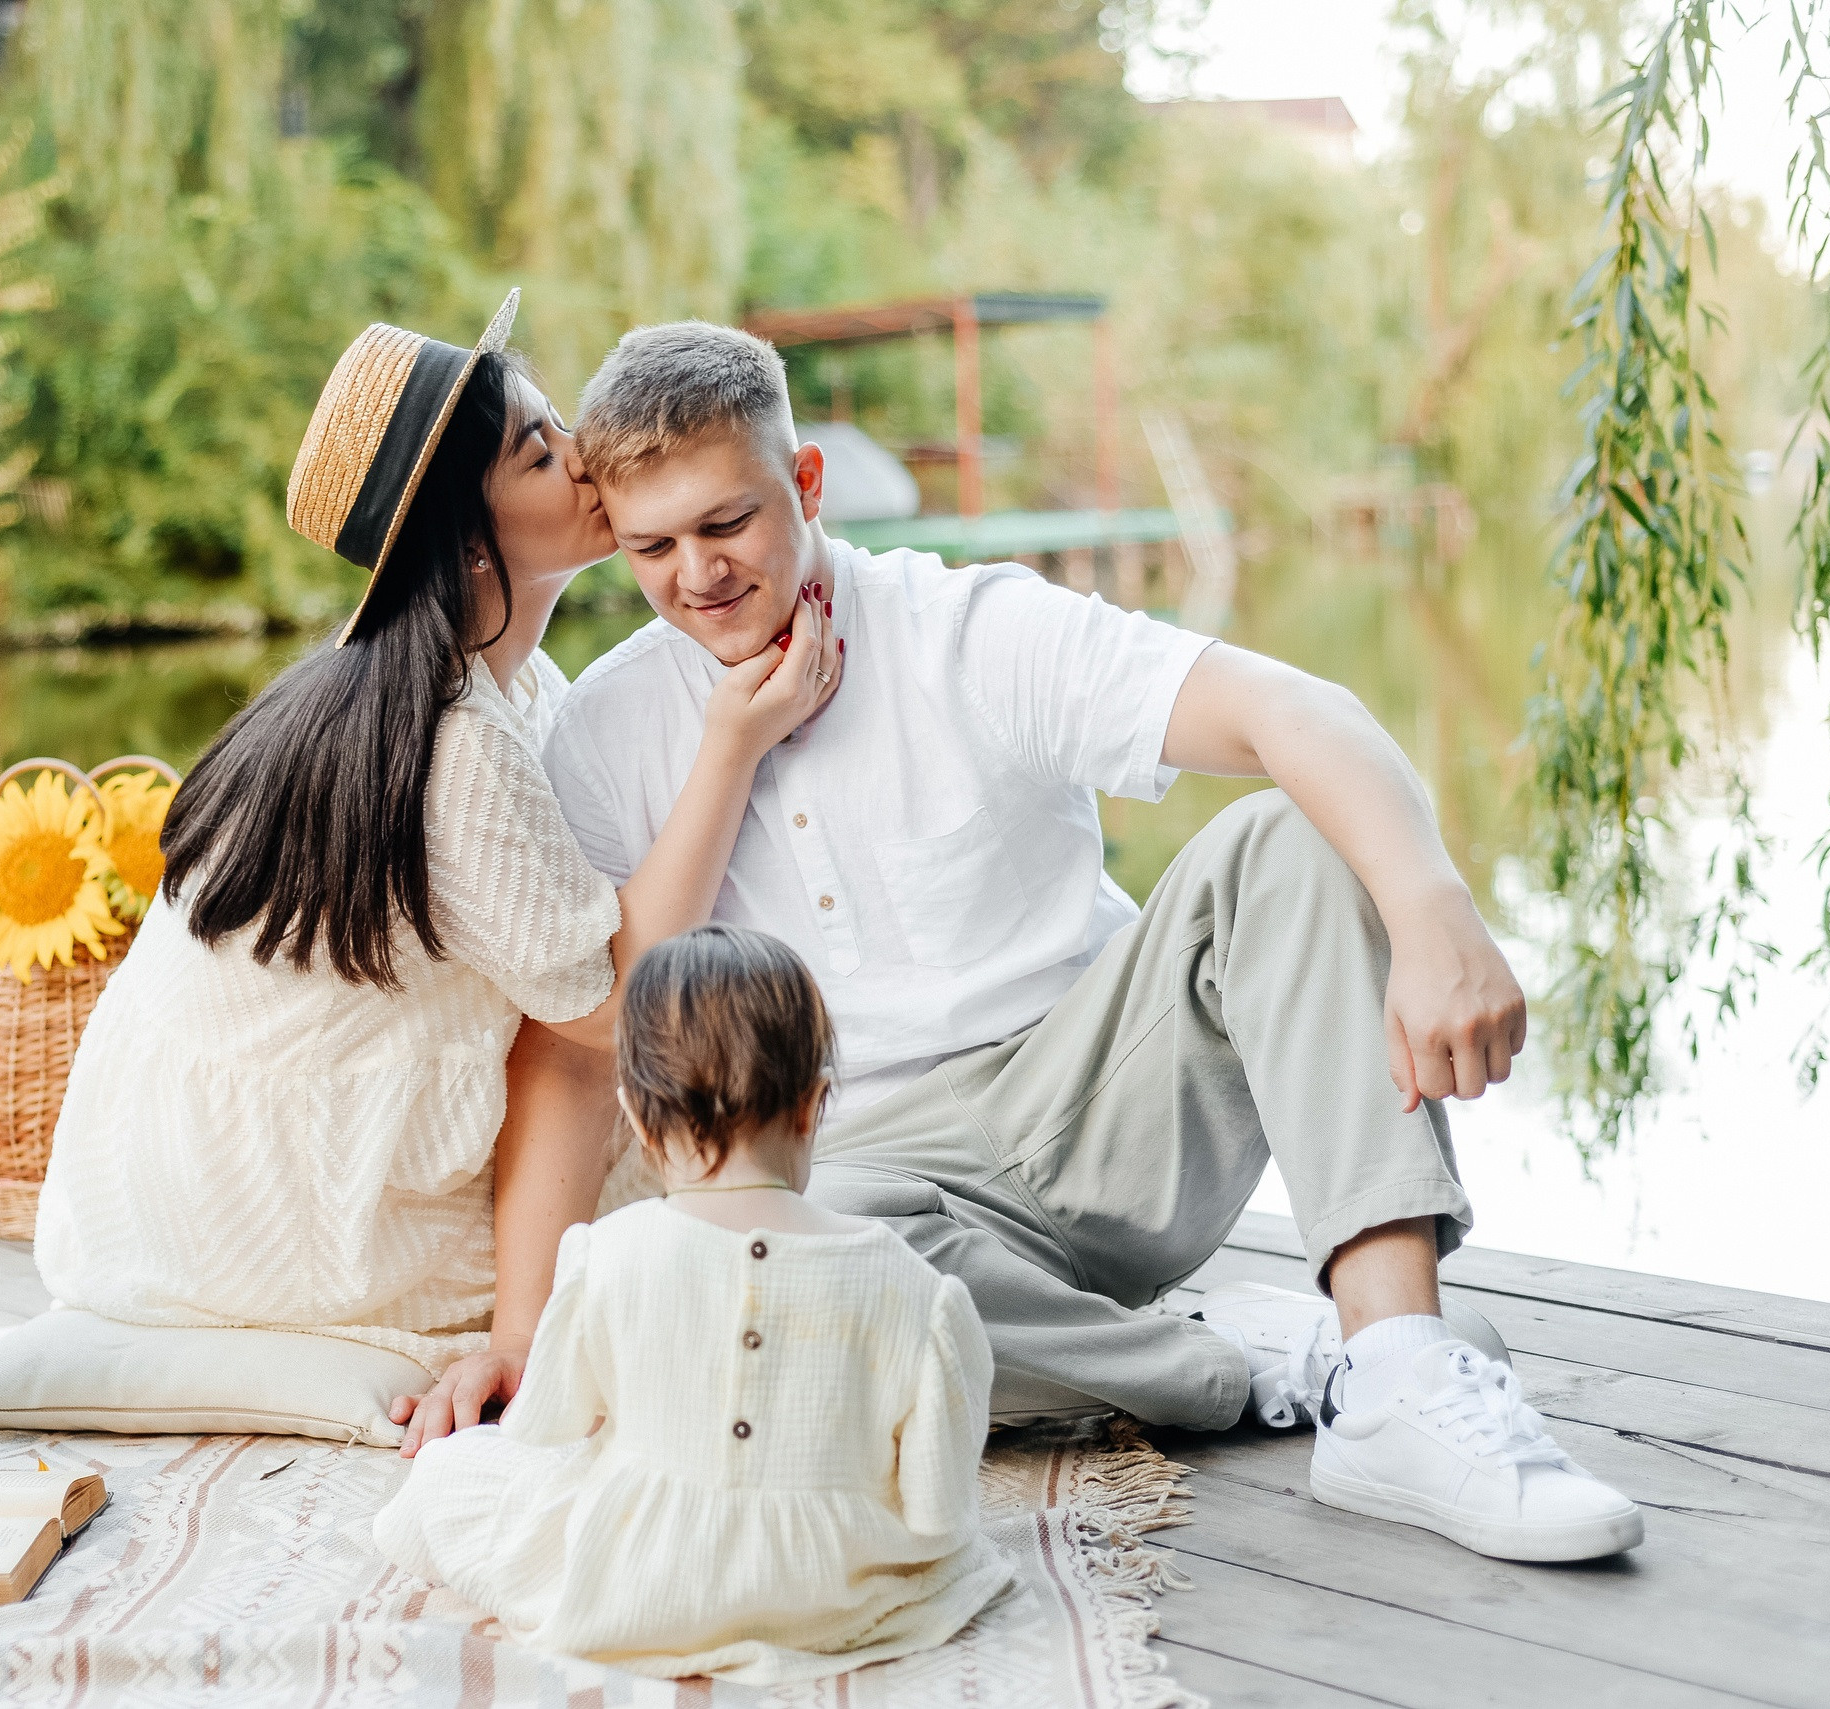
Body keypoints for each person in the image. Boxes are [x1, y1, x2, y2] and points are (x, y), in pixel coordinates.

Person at [487, 319, 1643, 1566]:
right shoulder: (606, 731)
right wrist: (522, 1331)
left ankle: (1404, 1371)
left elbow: (1289, 707)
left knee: (1287, 834)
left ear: (806, 483)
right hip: (865, 1180)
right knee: (773, 1266)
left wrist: (1434, 911)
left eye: (728, 524)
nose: (696, 573)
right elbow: (588, 1042)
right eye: (653, 546)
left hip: (1110, 1108)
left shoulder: (967, 632)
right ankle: (1247, 1365)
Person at [32, 295, 841, 1395]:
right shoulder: (447, 738)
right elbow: (610, 1003)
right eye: (541, 451)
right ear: (471, 539)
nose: (587, 457)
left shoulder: (470, 685)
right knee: (720, 1196)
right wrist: (734, 739)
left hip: (161, 1183)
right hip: (268, 1217)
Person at [374, 924, 1012, 1683]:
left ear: (637, 1120)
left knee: (458, 1474)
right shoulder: (917, 1289)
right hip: (834, 1590)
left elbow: (545, 1429)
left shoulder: (604, 1256)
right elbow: (940, 1507)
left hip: (640, 1583)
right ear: (813, 1106)